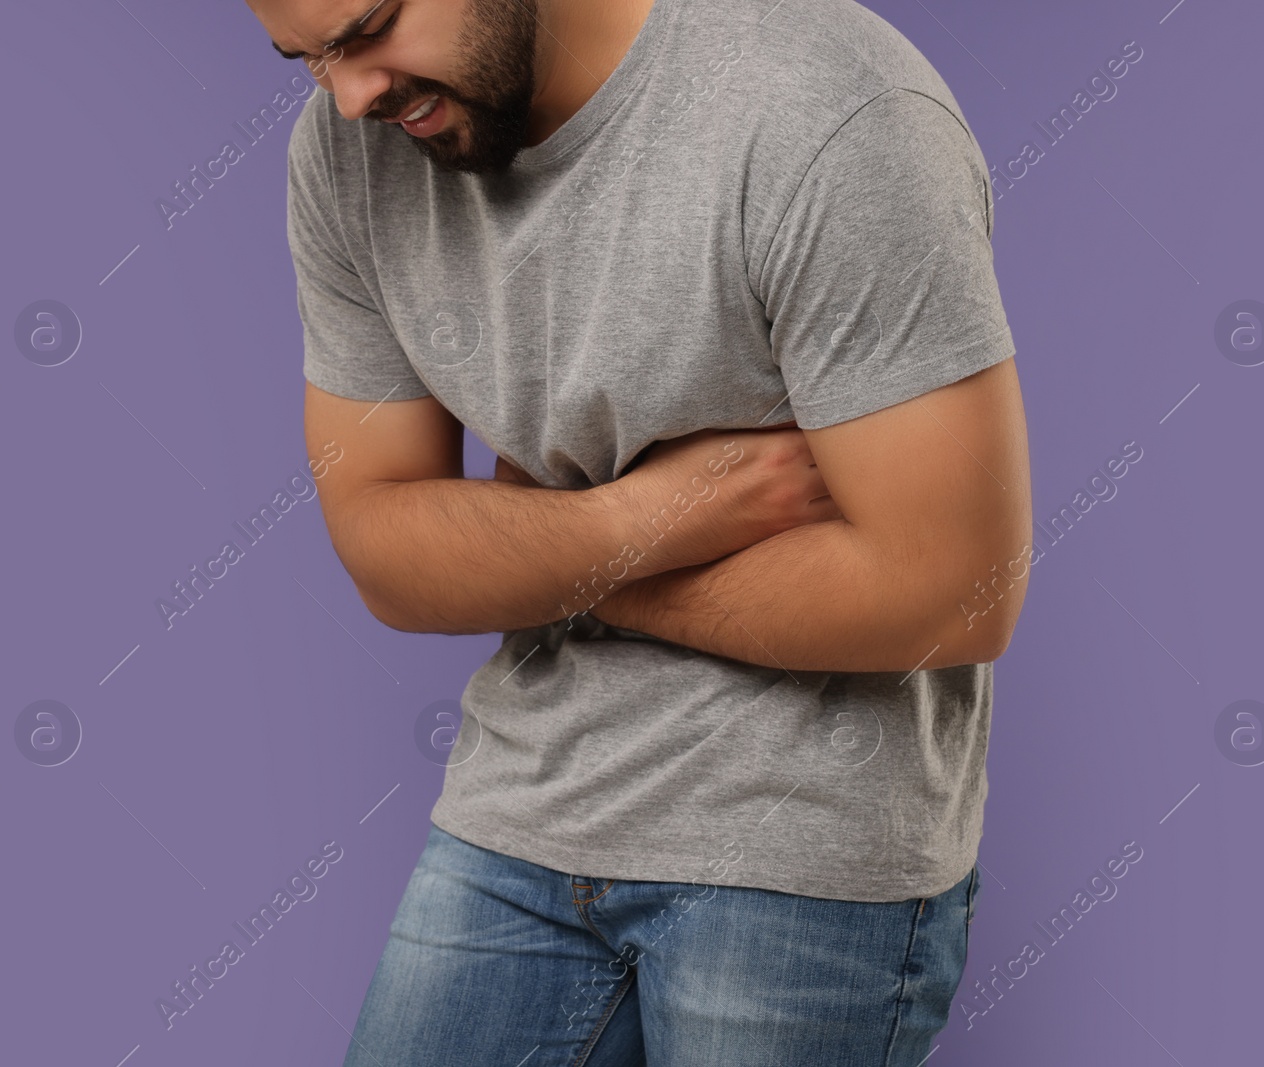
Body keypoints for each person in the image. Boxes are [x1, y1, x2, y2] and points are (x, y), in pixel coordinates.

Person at [249, 0, 1032, 1061]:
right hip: (517, 811)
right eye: (308, 60)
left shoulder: (832, 108)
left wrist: (545, 545)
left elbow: (954, 587)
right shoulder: (347, 159)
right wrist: (657, 513)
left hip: (799, 854)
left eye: (372, 25)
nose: (348, 96)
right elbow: (387, 554)